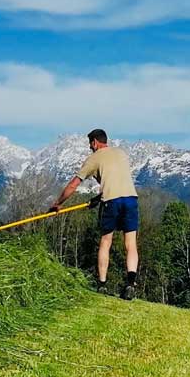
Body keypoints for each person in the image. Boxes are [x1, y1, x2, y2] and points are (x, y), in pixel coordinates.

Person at [52, 128, 139, 298]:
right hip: (131, 198)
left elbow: (73, 185)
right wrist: (98, 198)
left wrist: (58, 203)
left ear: (95, 142)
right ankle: (130, 284)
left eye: (90, 144)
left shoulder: (93, 158)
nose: (90, 148)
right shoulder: (121, 153)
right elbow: (116, 180)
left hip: (111, 201)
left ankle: (102, 285)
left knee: (106, 241)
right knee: (131, 243)